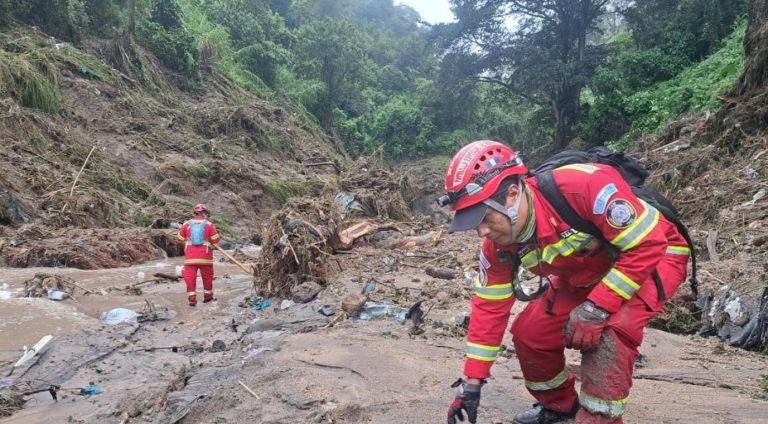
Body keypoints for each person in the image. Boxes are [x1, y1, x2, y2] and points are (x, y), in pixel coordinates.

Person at [442, 140, 690, 424]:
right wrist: (472, 384)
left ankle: (600, 418)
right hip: (587, 271)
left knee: (611, 330)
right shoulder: (498, 244)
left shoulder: (582, 186)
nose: (481, 232)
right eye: (474, 224)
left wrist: (597, 308)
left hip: (654, 254)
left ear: (512, 194)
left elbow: (646, 245)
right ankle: (560, 408)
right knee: (530, 334)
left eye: (485, 218)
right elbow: (489, 308)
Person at [176, 203, 221, 306]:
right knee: (207, 277)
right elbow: (216, 240)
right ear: (204, 213)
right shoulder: (209, 225)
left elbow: (179, 239)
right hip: (205, 257)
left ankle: (192, 299)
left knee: (190, 278)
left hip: (190, 258)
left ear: (195, 213)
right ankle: (208, 298)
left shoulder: (187, 224)